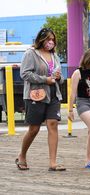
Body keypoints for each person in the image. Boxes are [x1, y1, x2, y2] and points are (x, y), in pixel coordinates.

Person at [16, 28, 65, 171]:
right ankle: (22, 155)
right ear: (41, 39)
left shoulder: (54, 55)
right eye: (48, 39)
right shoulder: (30, 53)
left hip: (53, 94)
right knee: (34, 128)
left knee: (53, 124)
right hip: (35, 95)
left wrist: (58, 77)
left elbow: (60, 77)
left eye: (53, 40)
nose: (51, 42)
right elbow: (25, 74)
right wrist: (45, 79)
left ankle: (53, 162)